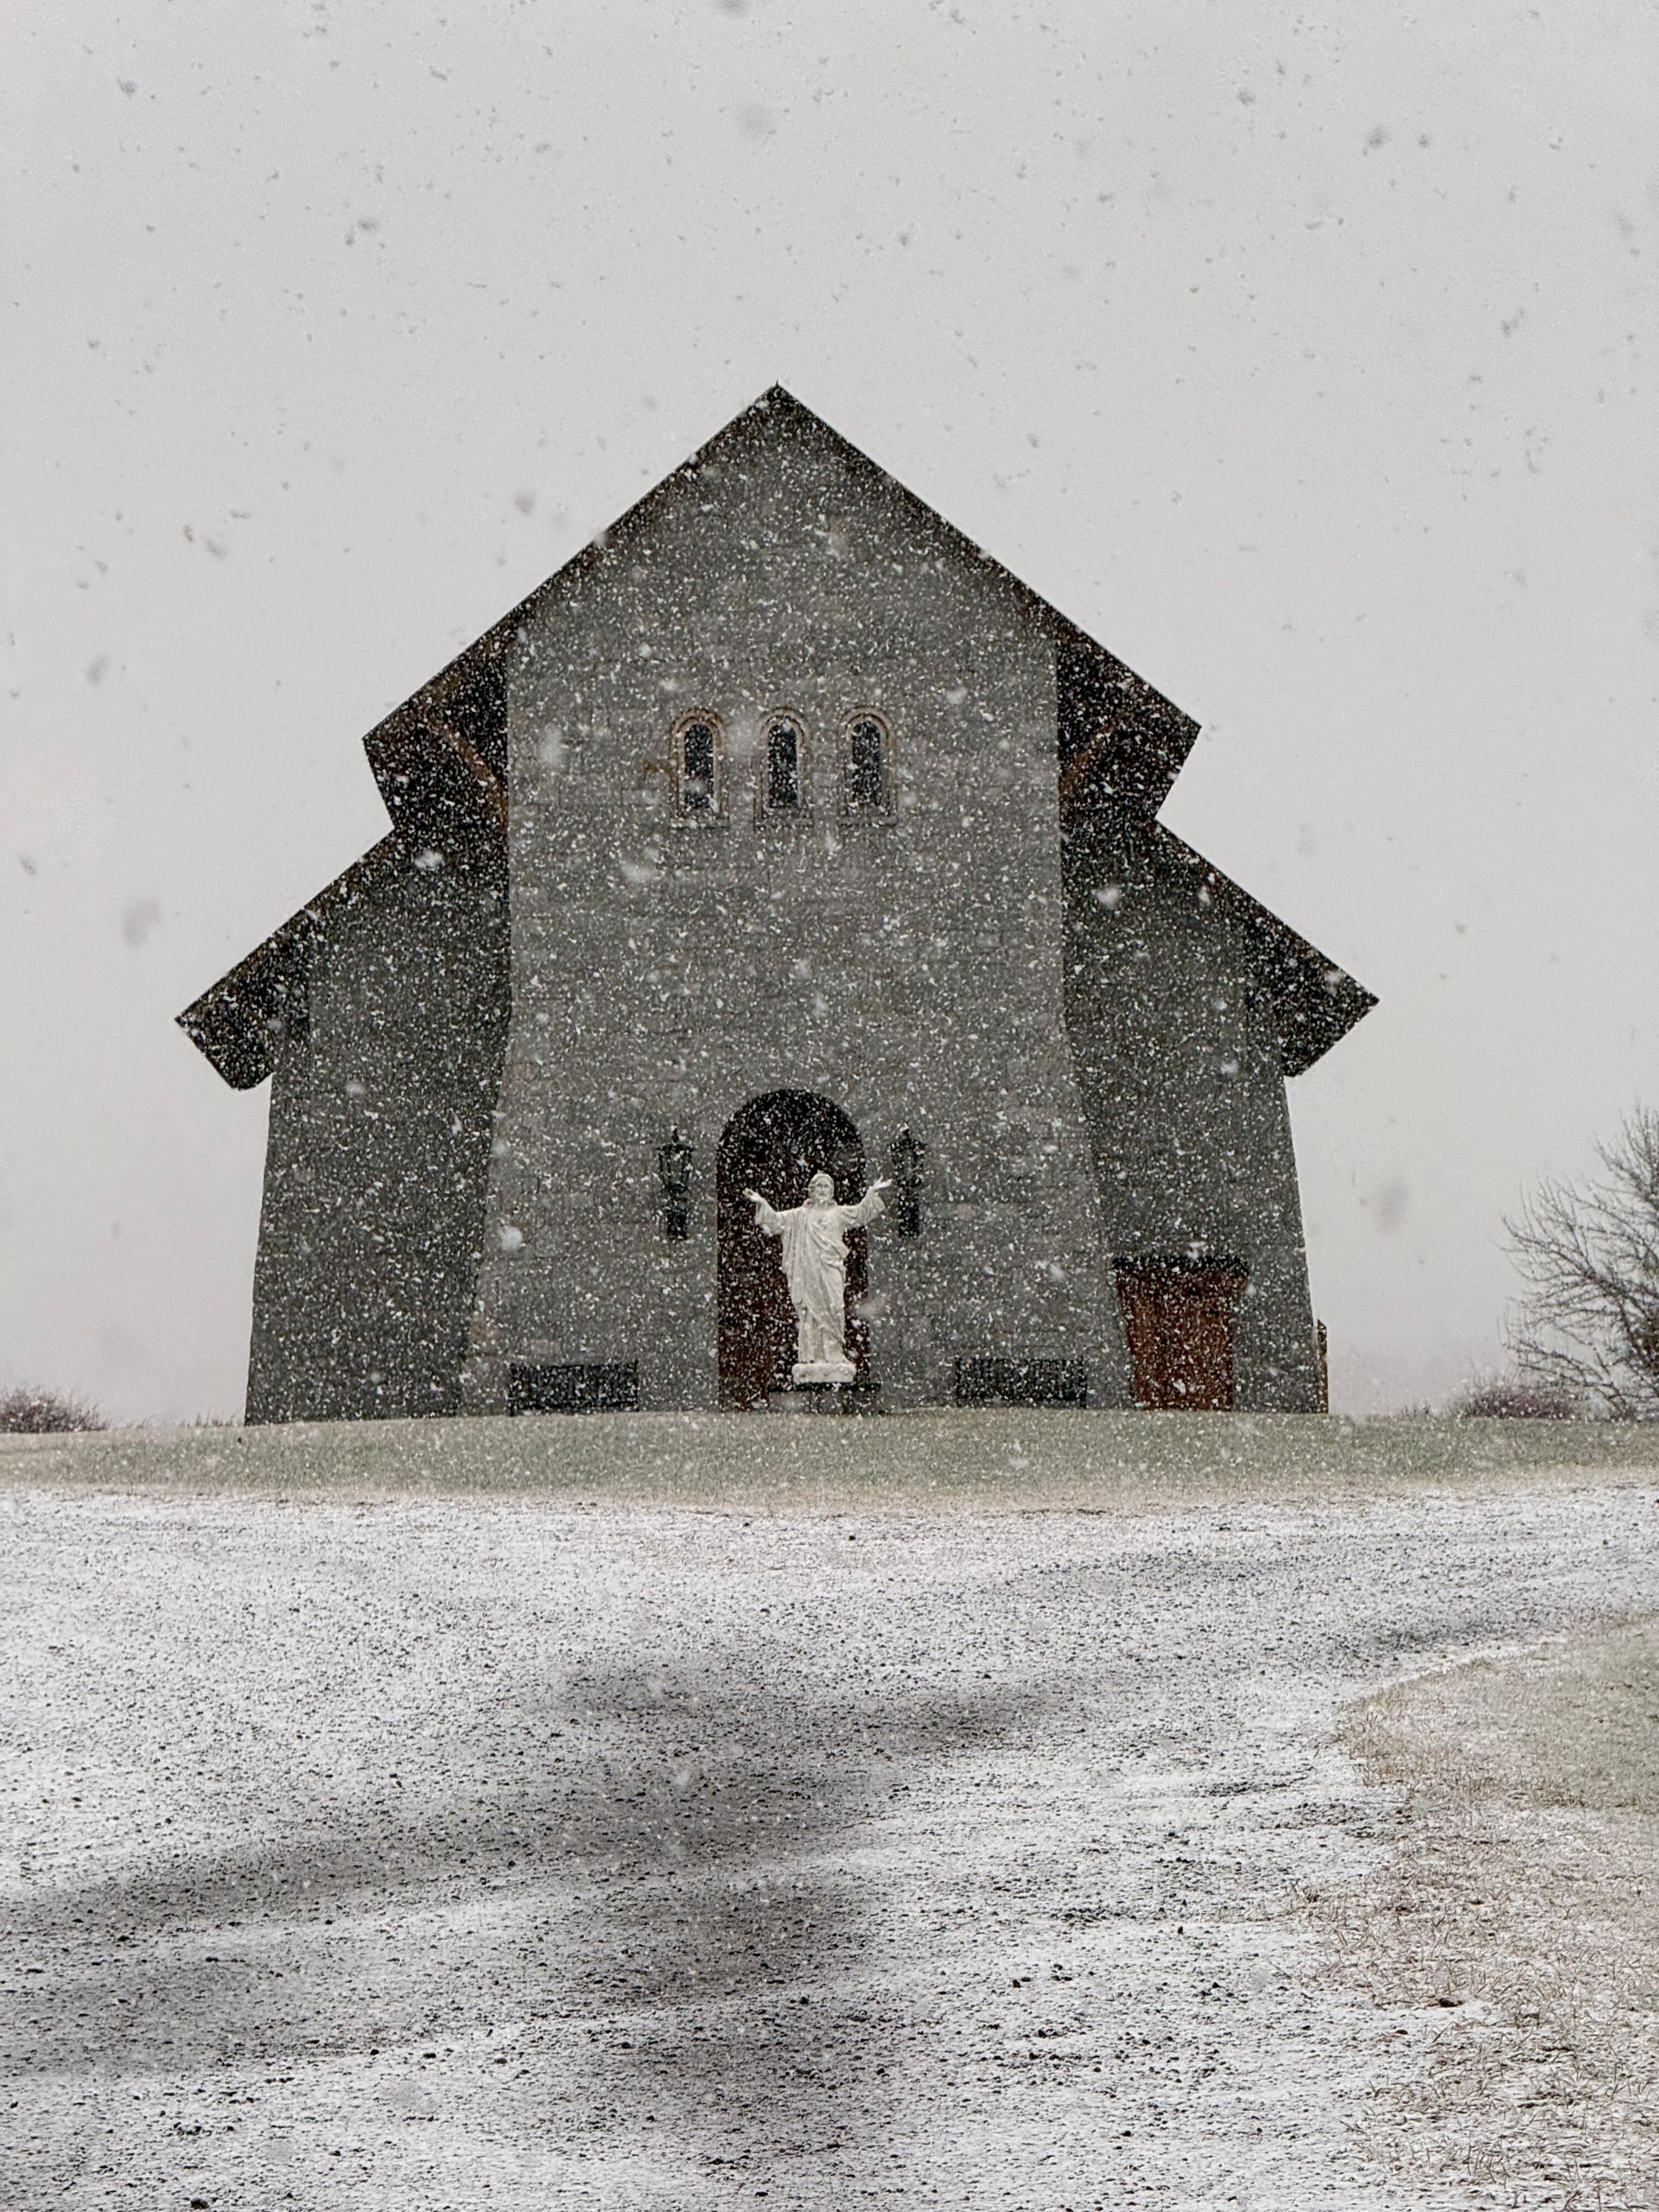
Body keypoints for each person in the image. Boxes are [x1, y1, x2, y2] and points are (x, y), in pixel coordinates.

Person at [747, 1170, 890, 1382]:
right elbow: (776, 1221)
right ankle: (812, 1355)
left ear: (832, 1192)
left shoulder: (838, 1214)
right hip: (808, 1272)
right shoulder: (799, 1215)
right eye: (819, 1187)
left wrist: (871, 1193)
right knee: (810, 1313)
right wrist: (761, 1203)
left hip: (831, 1270)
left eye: (827, 1187)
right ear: (812, 1191)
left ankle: (834, 1354)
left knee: (835, 1307)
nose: (823, 1191)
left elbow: (860, 1213)